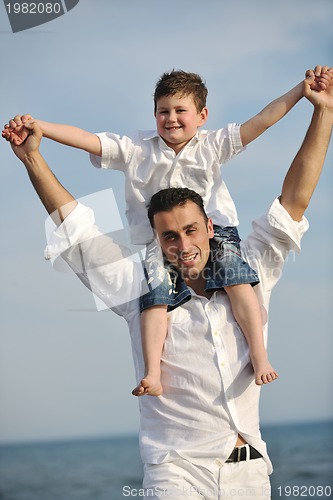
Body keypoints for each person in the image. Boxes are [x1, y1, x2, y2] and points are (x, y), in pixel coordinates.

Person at [4, 67, 333, 499]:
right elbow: (78, 232)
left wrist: (323, 112)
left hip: (250, 472)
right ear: (155, 240)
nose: (183, 245)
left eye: (192, 231)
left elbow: (293, 201)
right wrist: (33, 156)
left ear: (211, 227)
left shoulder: (249, 271)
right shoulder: (139, 287)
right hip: (174, 472)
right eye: (169, 237)